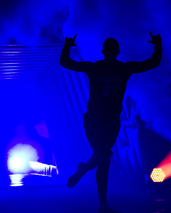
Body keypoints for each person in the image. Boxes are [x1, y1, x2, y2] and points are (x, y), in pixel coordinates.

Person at [60, 32, 162, 213]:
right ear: (104, 51)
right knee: (105, 160)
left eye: (111, 49)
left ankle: (83, 169)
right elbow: (66, 63)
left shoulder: (123, 68)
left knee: (99, 158)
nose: (109, 51)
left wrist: (157, 45)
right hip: (94, 120)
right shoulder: (95, 68)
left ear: (116, 51)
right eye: (107, 49)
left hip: (111, 122)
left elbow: (153, 63)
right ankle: (103, 205)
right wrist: (67, 46)